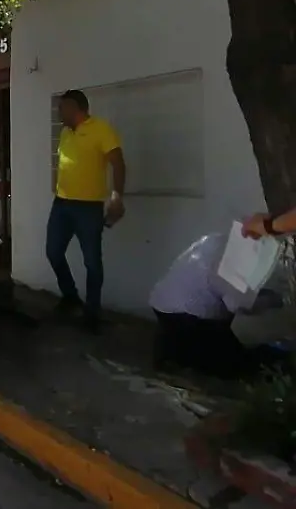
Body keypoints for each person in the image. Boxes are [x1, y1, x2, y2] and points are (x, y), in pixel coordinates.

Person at [149, 233, 284, 379]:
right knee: (243, 366)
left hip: (164, 305)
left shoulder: (223, 241)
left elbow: (230, 290)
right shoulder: (237, 259)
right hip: (187, 317)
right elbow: (237, 304)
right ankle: (182, 358)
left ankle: (173, 350)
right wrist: (272, 300)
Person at [47, 89, 127, 333]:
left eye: (63, 107)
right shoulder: (64, 133)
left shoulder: (101, 130)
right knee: (53, 252)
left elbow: (118, 163)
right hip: (61, 204)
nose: (59, 111)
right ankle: (70, 295)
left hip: (88, 208)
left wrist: (116, 196)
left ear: (76, 108)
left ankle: (92, 312)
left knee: (92, 261)